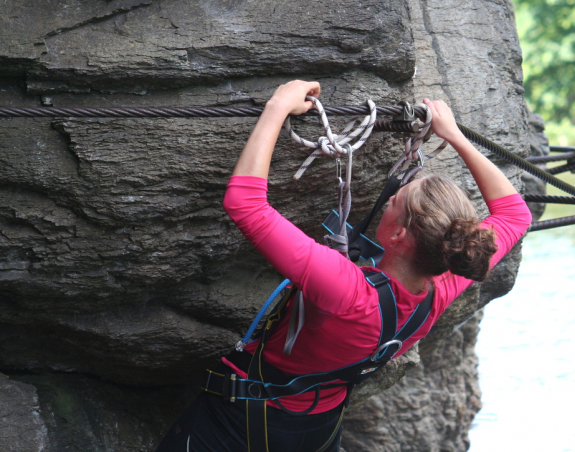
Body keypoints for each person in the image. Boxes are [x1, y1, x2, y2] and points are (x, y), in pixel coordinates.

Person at [154, 80, 532, 452]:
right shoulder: (440, 287)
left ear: (399, 234)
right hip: (318, 431)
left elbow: (245, 204)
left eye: (392, 202)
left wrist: (277, 107)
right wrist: (455, 137)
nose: (386, 204)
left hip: (240, 428)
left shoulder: (345, 289)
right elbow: (515, 216)